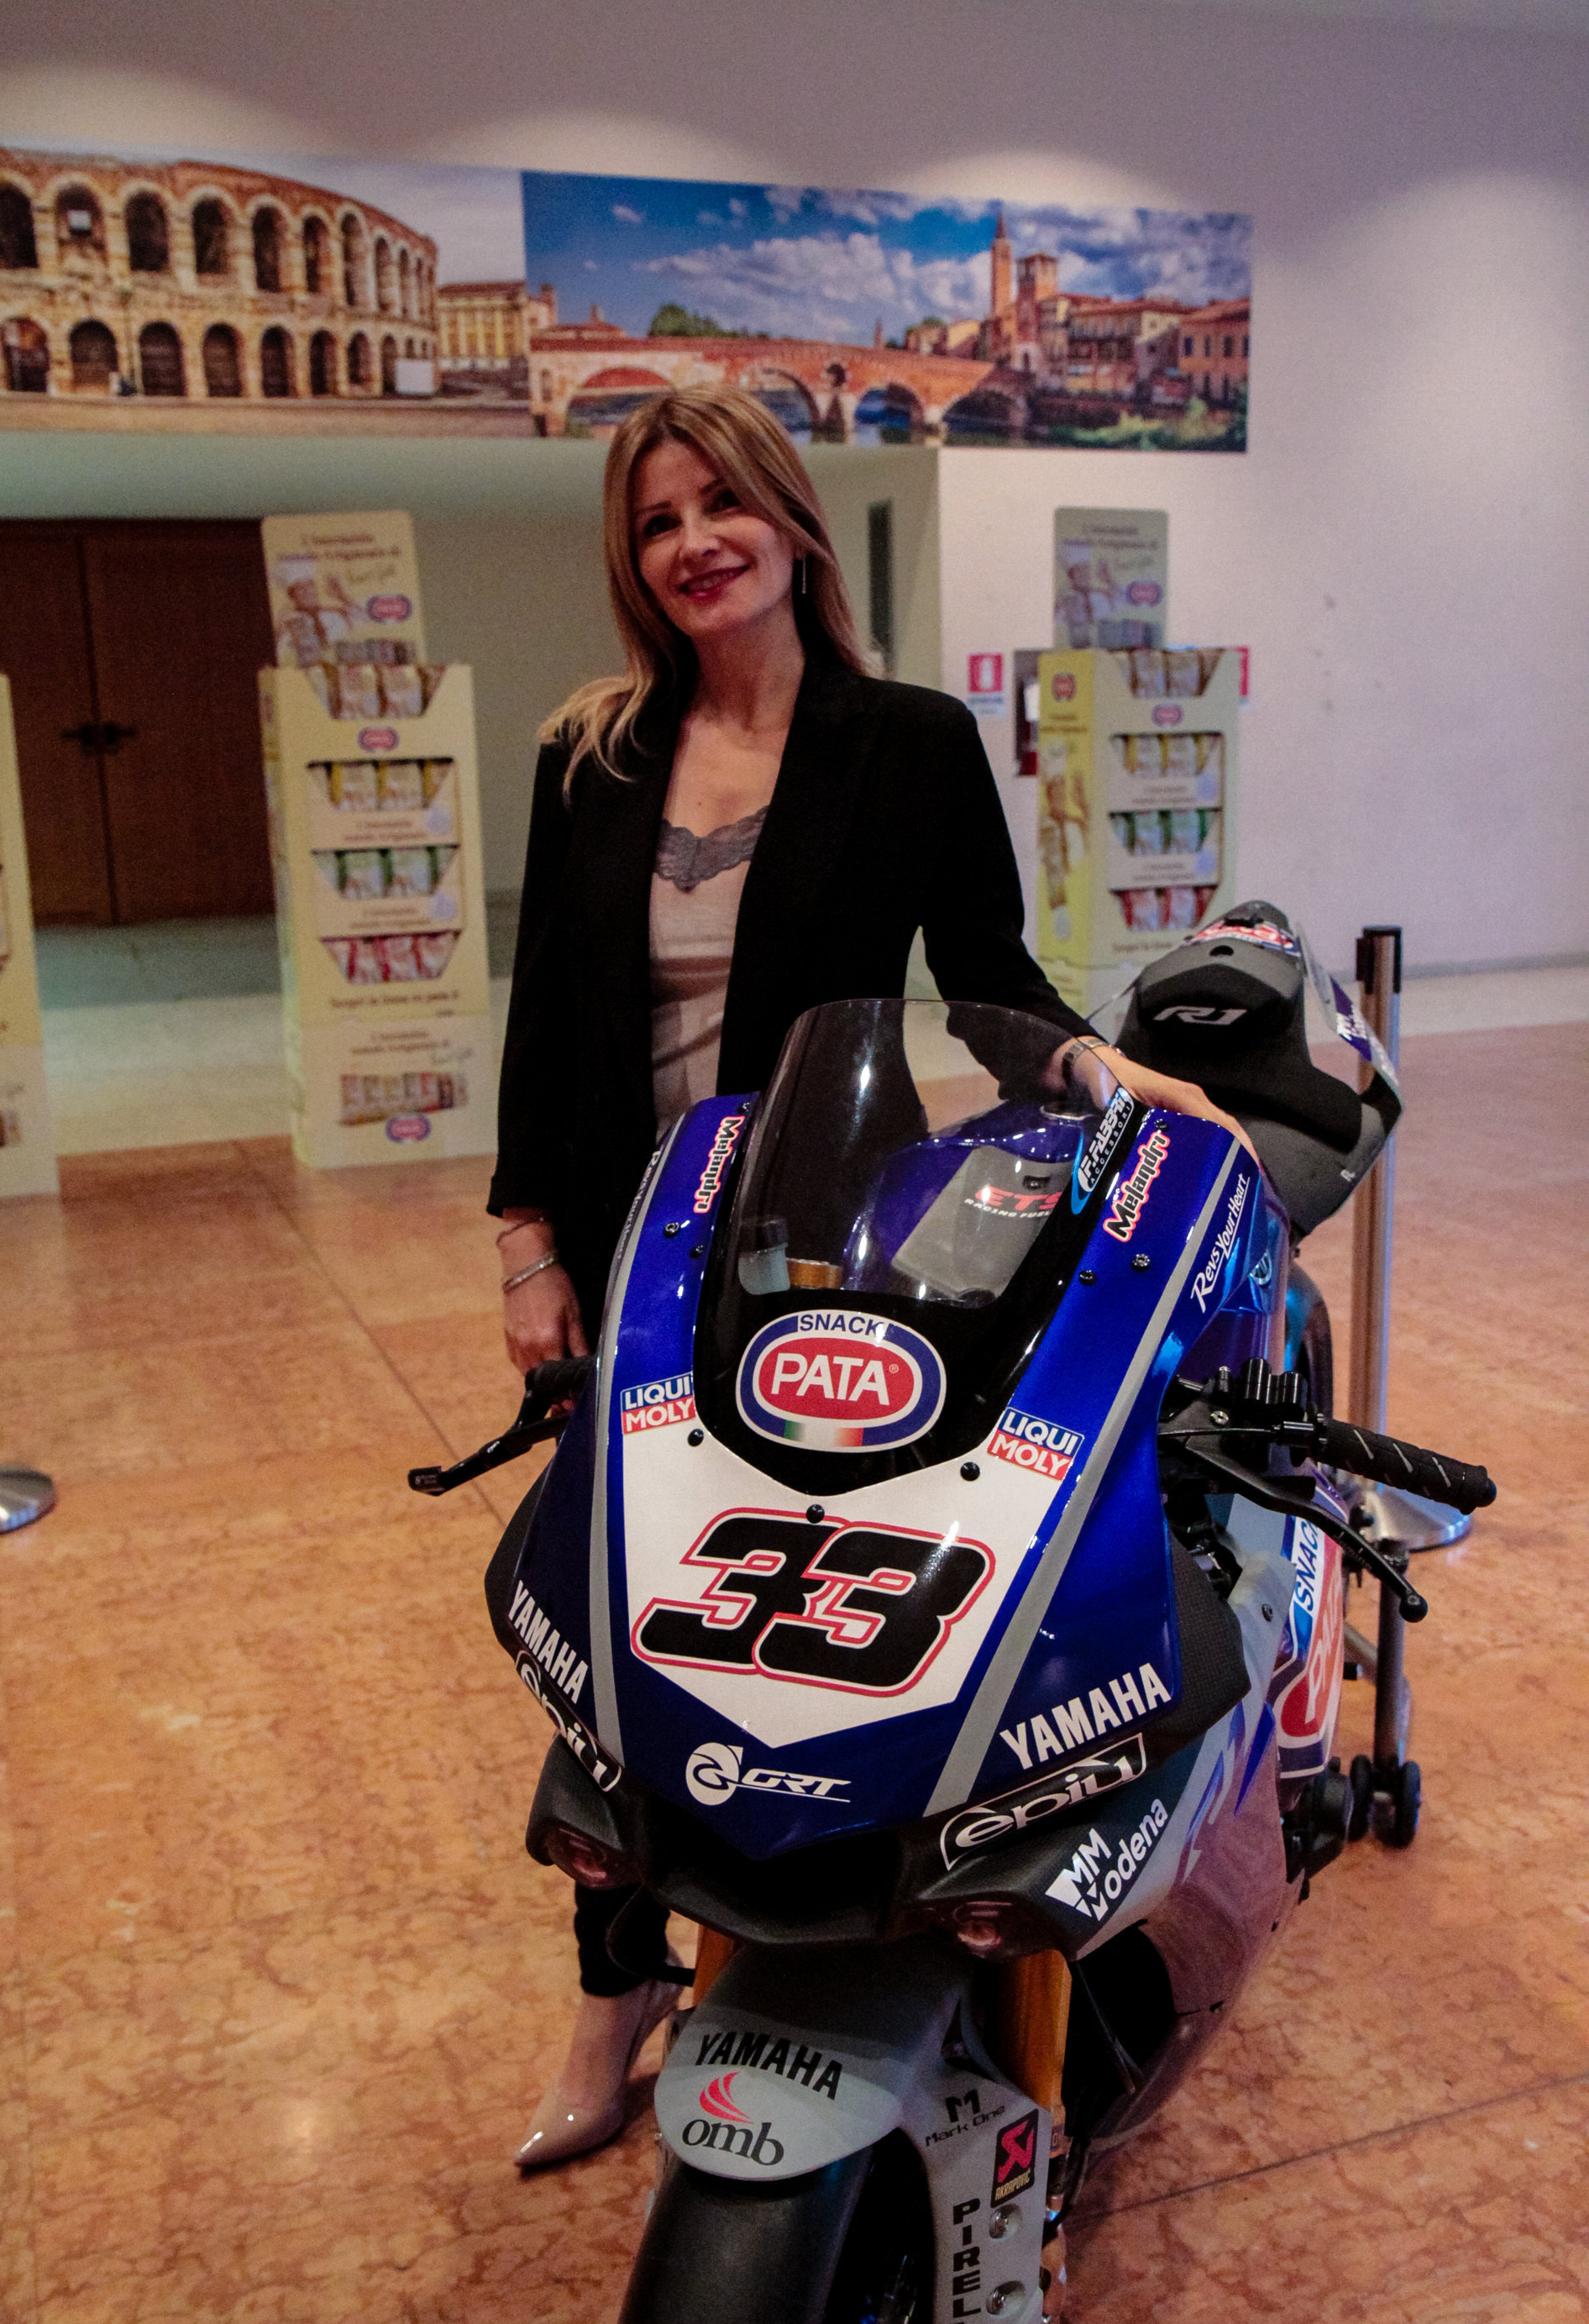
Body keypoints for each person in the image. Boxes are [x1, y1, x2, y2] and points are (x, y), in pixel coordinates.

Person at [489, 386, 1246, 2169]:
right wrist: (528, 1247)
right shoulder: (590, 751)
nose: (693, 544)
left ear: (789, 518)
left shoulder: (905, 741)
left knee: (806, 1591)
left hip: (813, 1232)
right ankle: (614, 1987)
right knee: (618, 1620)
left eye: (719, 504)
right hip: (628, 1245)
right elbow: (543, 1027)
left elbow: (989, 974)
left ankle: (837, 1941)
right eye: (656, 522)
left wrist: (1110, 1075)